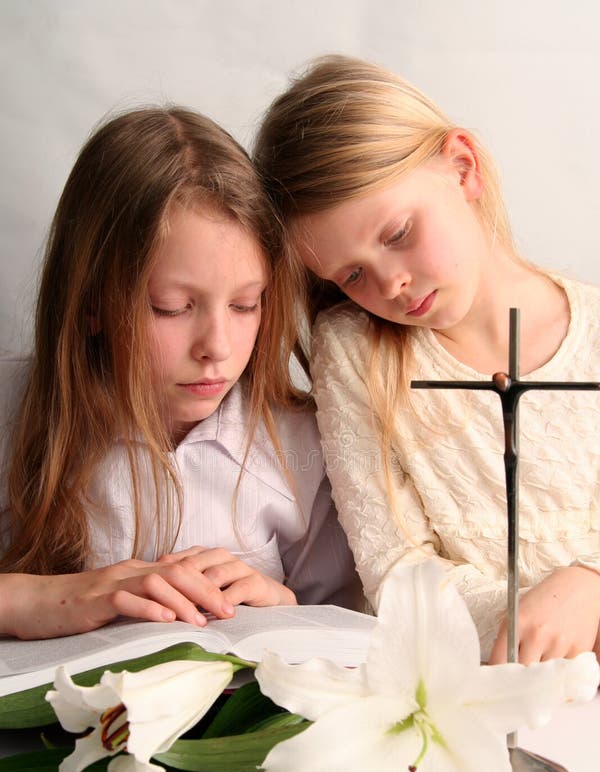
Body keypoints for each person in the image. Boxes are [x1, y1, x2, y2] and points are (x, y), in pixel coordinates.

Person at [253, 54, 600, 664]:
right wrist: (530, 624)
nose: (391, 285)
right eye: (352, 273)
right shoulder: (356, 352)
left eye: (397, 235)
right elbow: (396, 572)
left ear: (462, 168)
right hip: (477, 679)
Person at [0, 105, 361, 640]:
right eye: (171, 307)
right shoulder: (13, 408)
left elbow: (351, 636)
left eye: (245, 306)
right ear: (92, 303)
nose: (217, 348)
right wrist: (40, 596)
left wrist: (286, 606)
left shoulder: (303, 442)